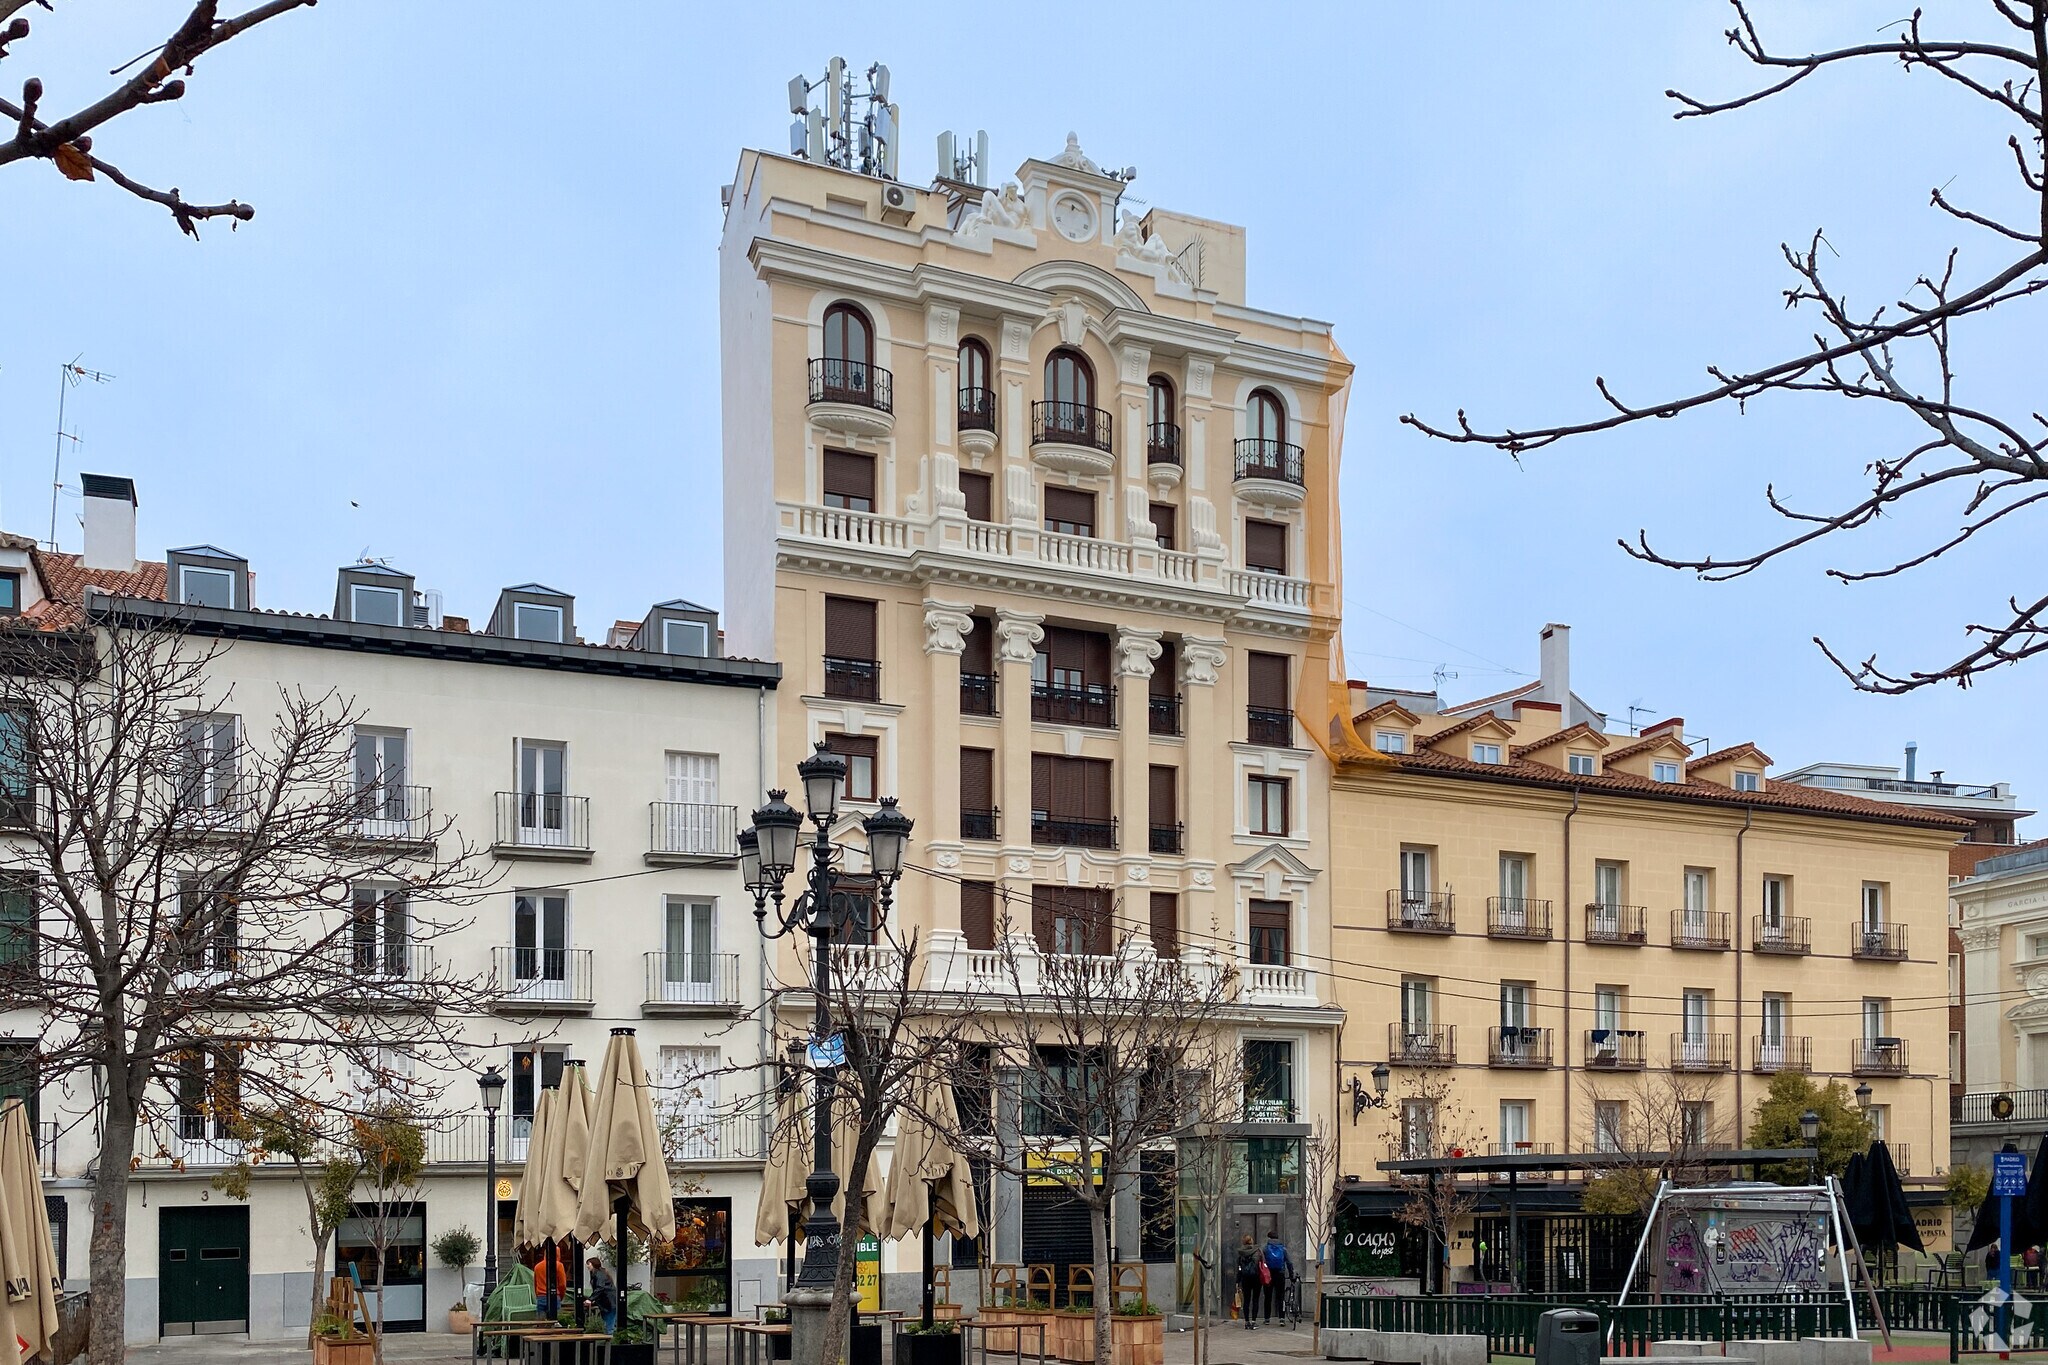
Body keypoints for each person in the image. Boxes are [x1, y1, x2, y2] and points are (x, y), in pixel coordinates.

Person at [1261, 1232, 1294, 1325]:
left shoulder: (1265, 1249)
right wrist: (1291, 1274)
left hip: (1269, 1275)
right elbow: (1289, 1262)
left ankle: (1267, 1318)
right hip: (1280, 1274)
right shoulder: (1283, 1249)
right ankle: (1282, 1318)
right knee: (1280, 1297)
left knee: (1268, 1296)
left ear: (1269, 1238)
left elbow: (1262, 1262)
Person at [1234, 1234, 1262, 1330]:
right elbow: (1262, 1264)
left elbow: (1239, 1268)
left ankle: (1246, 1322)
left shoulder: (1241, 1253)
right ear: (1251, 1241)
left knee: (1246, 1300)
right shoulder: (1258, 1251)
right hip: (1257, 1278)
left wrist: (1238, 1281)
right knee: (1255, 1300)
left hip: (1245, 1278)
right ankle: (1254, 1321)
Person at [588, 1254, 619, 1334]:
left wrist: (591, 1299)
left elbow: (600, 1288)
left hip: (608, 1302)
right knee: (608, 1322)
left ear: (593, 1264)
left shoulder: (599, 1274)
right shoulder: (600, 1273)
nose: (587, 1266)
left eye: (589, 1264)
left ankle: (609, 1342)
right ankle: (609, 1340)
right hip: (608, 1302)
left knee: (609, 1324)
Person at [532, 1244, 564, 1318]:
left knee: (541, 1324)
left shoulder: (537, 1267)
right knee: (556, 1321)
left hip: (541, 1297)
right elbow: (562, 1284)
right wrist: (560, 1296)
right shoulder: (559, 1266)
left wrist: (538, 1295)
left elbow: (535, 1283)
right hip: (555, 1297)